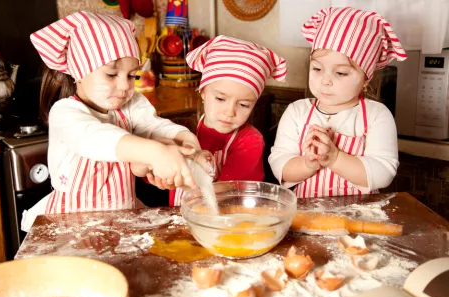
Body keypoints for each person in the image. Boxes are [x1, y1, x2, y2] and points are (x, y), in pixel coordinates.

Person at [21, 11, 199, 231]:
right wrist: (155, 152)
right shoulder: (65, 113)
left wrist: (186, 141)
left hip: (121, 221)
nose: (125, 85)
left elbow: (154, 126)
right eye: (112, 74)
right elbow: (94, 139)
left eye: (132, 75)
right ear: (79, 72)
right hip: (71, 228)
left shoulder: (132, 105)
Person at [269, 7, 406, 198]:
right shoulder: (296, 112)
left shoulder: (377, 116)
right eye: (317, 69)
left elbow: (384, 172)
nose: (325, 80)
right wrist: (308, 164)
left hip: (360, 216)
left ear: (366, 78)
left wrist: (334, 158)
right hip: (306, 215)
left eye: (340, 73)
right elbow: (279, 166)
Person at [169, 35, 287, 206]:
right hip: (177, 219)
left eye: (244, 104)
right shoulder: (183, 129)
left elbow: (228, 188)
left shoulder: (250, 141)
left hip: (228, 223)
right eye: (221, 99)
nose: (230, 112)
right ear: (203, 92)